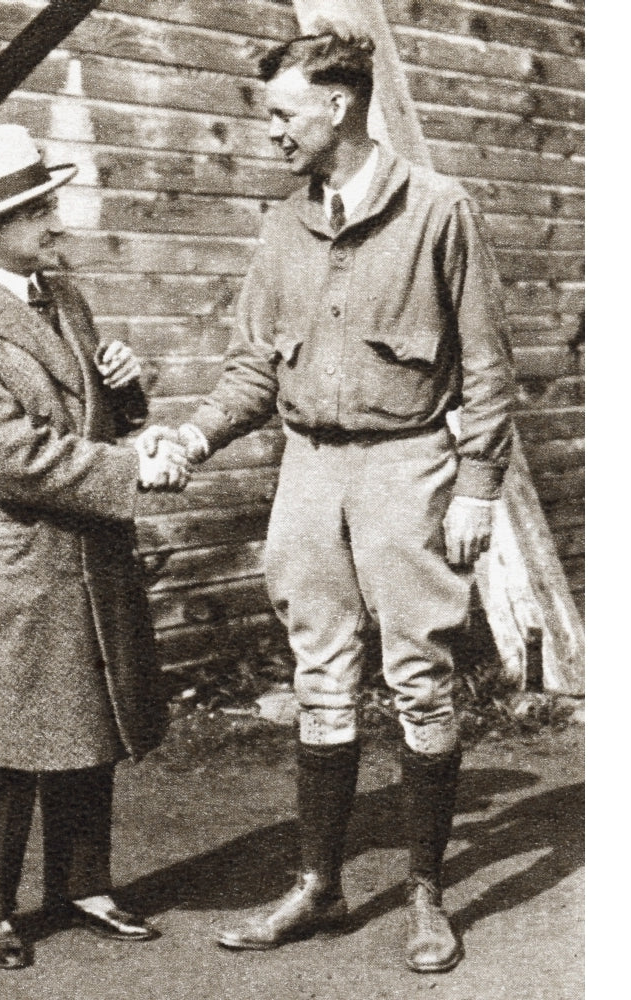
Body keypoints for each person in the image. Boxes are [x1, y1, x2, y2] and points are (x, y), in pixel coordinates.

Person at [164, 34, 516, 973]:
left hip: (410, 467)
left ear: (340, 108)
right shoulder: (284, 226)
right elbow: (252, 365)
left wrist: (478, 486)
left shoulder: (441, 210)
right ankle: (319, 886)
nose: (271, 130)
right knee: (320, 676)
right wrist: (195, 436)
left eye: (284, 112)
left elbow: (485, 367)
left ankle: (426, 896)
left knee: (419, 679)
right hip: (309, 468)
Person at [0, 123, 190, 969]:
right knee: (2, 738)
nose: (55, 222)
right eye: (37, 210)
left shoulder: (61, 294)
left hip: (89, 546)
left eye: (49, 203)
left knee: (88, 720)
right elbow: (11, 457)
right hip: (19, 557)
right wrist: (133, 468)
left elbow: (95, 418)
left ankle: (83, 883)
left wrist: (130, 395)